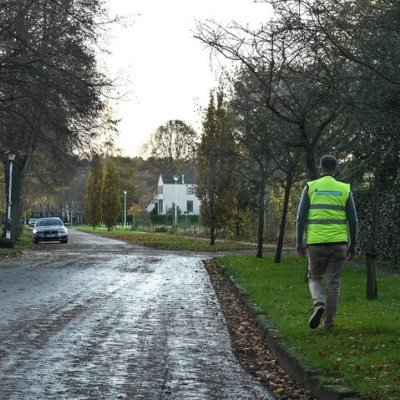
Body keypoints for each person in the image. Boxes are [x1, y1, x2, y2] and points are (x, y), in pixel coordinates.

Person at [296, 155, 358, 330]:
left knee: (314, 277)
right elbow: (353, 220)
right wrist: (353, 245)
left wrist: (299, 242)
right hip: (339, 243)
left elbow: (300, 218)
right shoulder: (344, 189)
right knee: (334, 283)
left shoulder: (311, 187)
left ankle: (318, 304)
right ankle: (328, 323)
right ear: (336, 169)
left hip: (316, 243)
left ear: (320, 168)